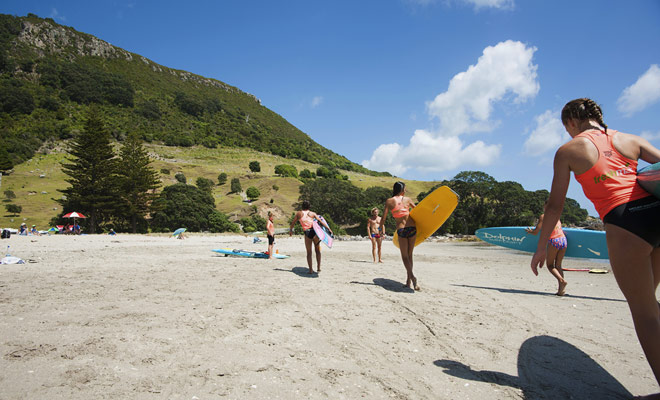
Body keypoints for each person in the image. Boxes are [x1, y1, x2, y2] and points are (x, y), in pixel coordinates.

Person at [530, 98, 660, 397]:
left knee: (645, 314)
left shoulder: (569, 150)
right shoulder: (630, 139)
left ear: (571, 122)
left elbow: (554, 205)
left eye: (566, 128)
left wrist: (540, 247)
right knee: (651, 304)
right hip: (657, 213)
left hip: (626, 223)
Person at [379, 181, 419, 291]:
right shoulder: (408, 200)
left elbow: (383, 218)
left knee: (405, 256)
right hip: (412, 228)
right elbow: (418, 212)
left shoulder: (389, 201)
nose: (405, 190)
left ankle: (411, 277)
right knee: (410, 255)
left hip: (401, 230)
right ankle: (408, 281)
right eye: (405, 188)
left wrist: (380, 229)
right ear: (401, 190)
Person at [526, 201, 568, 295]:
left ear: (545, 206)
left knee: (550, 265)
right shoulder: (557, 215)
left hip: (554, 241)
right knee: (558, 265)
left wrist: (530, 231)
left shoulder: (543, 216)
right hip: (563, 239)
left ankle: (561, 281)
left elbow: (536, 231)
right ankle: (561, 290)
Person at [289, 200, 332, 274]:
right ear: (309, 206)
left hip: (307, 232)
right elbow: (321, 222)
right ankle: (318, 268)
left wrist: (291, 230)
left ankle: (311, 270)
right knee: (317, 250)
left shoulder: (299, 214)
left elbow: (293, 223)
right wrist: (328, 229)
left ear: (302, 206)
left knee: (309, 253)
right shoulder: (312, 213)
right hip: (315, 232)